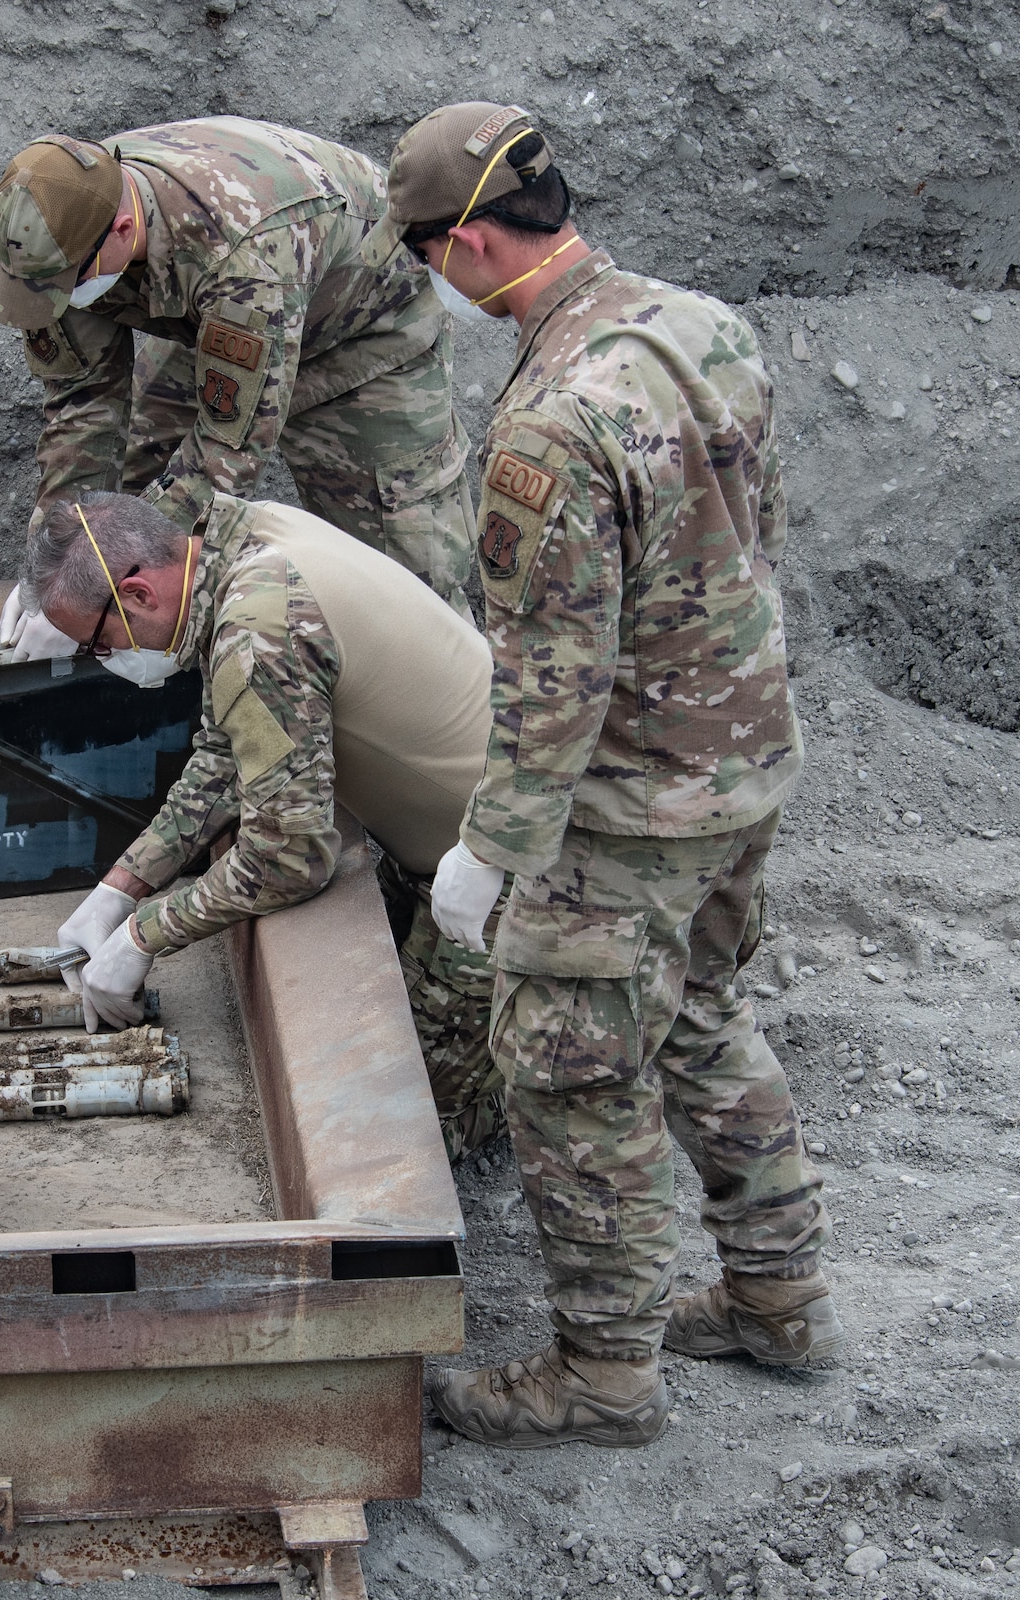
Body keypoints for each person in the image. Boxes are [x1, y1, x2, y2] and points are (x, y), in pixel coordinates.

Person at [379, 101, 838, 1450]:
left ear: (468, 242)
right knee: (699, 1021)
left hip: (627, 806)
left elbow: (552, 680)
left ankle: (603, 1378)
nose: (429, 287)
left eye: (424, 259)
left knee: (575, 1080)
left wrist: (491, 850)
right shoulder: (703, 329)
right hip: (742, 765)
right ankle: (780, 1300)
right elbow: (756, 541)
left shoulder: (547, 426)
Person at [21, 488, 506, 1160]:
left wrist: (145, 935)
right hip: (449, 843)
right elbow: (224, 755)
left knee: (393, 1132)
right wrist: (121, 886)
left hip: (512, 873)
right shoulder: (244, 540)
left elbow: (290, 858)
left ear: (137, 594)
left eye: (100, 643)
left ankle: (524, 1077)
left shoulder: (258, 629)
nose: (105, 660)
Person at [0, 116, 478, 652]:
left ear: (124, 230)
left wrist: (100, 581)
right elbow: (81, 409)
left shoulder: (242, 258)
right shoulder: (57, 227)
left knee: (403, 572)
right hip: (214, 316)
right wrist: (52, 576)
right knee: (125, 499)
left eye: (66, 285)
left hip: (363, 327)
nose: (51, 301)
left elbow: (230, 449)